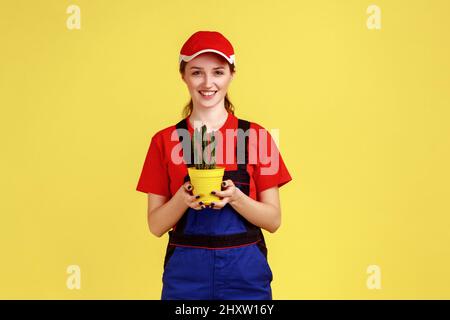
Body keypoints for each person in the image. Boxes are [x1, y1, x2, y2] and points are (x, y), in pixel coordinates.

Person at [136, 31, 292, 300]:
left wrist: (235, 197)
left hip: (246, 281)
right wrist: (182, 200)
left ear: (231, 74)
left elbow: (273, 220)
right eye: (197, 72)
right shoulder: (164, 141)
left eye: (218, 72)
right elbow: (155, 225)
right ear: (183, 75)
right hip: (185, 282)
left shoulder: (258, 137)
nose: (208, 82)